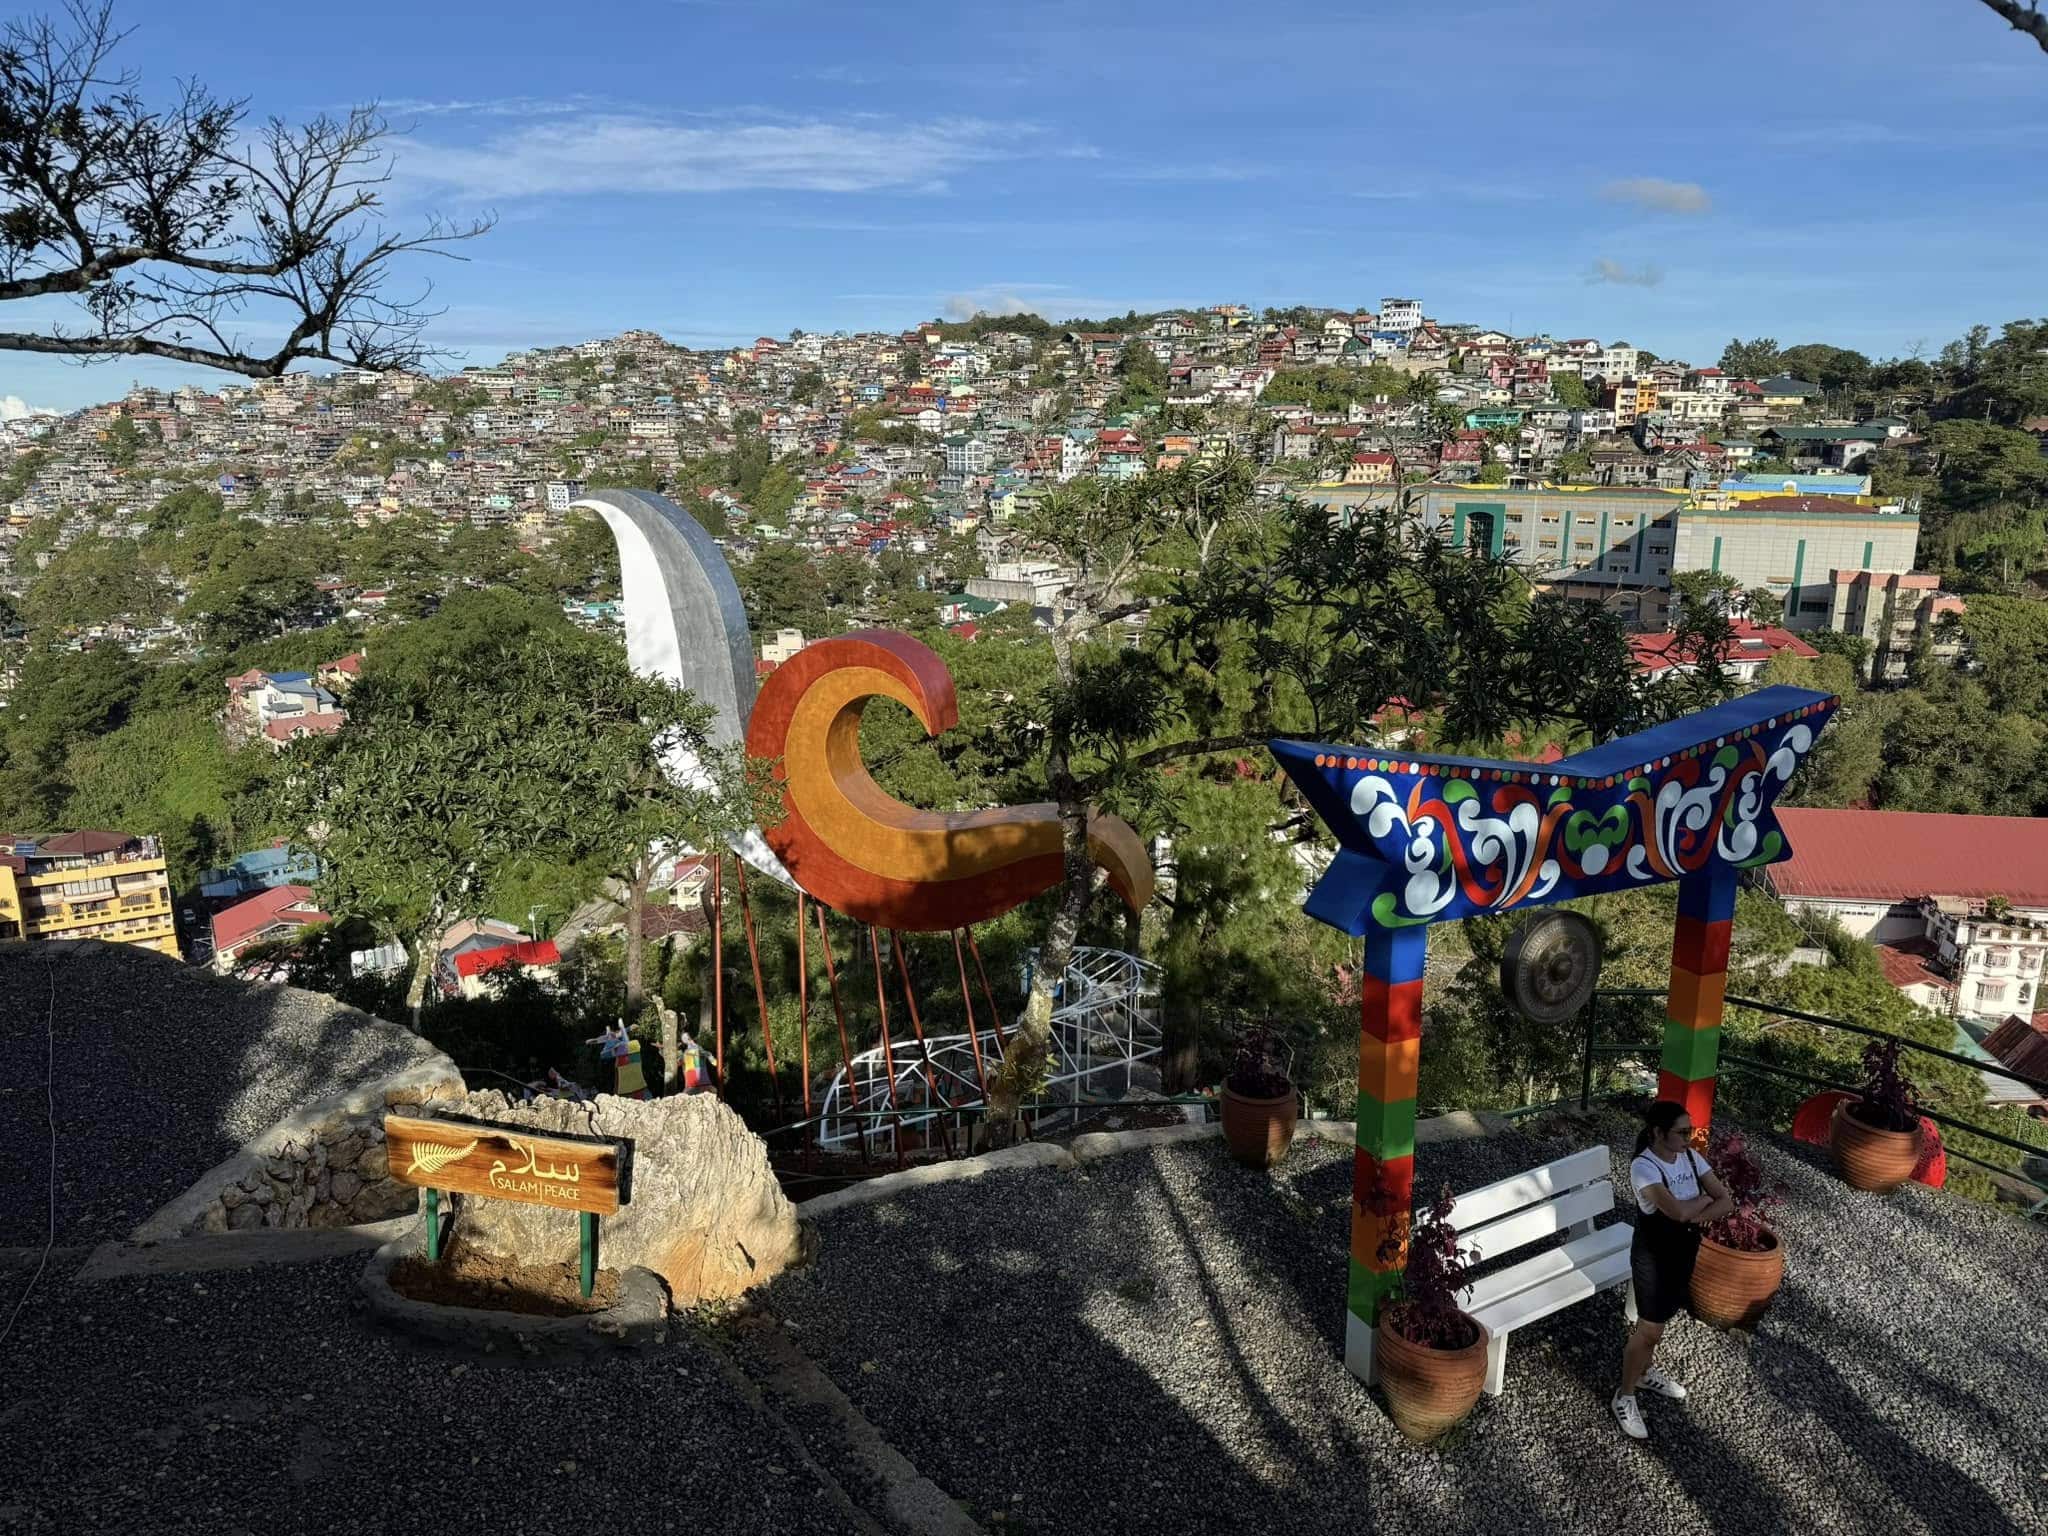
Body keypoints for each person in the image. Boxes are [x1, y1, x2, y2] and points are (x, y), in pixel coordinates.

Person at [1612, 1099, 1732, 1442]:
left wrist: (1692, 1212)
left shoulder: (1691, 1157)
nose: (1689, 1138)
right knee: (1648, 1330)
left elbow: (1725, 1200)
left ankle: (1644, 1371)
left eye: (1690, 1131)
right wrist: (1702, 1203)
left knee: (1662, 1320)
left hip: (1682, 1251)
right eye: (1682, 1132)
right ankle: (1625, 1395)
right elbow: (1677, 1212)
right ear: (1658, 1132)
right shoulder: (1644, 1167)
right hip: (1653, 1256)